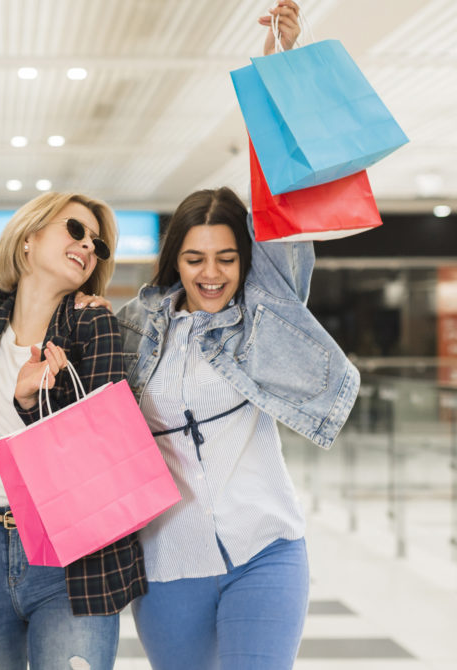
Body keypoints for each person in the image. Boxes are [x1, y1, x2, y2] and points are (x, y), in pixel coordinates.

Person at [115, 8, 358, 667]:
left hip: (266, 547)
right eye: (196, 259)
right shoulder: (137, 325)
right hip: (169, 558)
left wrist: (283, 68)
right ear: (175, 259)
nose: (212, 273)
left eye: (226, 257)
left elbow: (288, 202)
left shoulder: (264, 309)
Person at [0, 182, 143, 670]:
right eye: (75, 230)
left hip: (72, 559)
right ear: (29, 238)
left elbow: (103, 450)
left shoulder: (92, 325)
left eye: (96, 244)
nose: (86, 247)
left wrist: (30, 405)